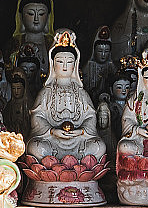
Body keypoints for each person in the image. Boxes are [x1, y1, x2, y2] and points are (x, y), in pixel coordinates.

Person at [26, 30, 106, 161]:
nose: (64, 66)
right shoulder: (46, 92)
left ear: (75, 65)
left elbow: (90, 116)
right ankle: (69, 166)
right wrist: (52, 131)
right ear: (53, 64)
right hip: (52, 140)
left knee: (99, 147)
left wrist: (81, 131)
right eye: (60, 62)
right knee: (36, 148)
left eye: (69, 62)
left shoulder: (81, 92)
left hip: (78, 141)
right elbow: (37, 116)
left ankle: (62, 166)